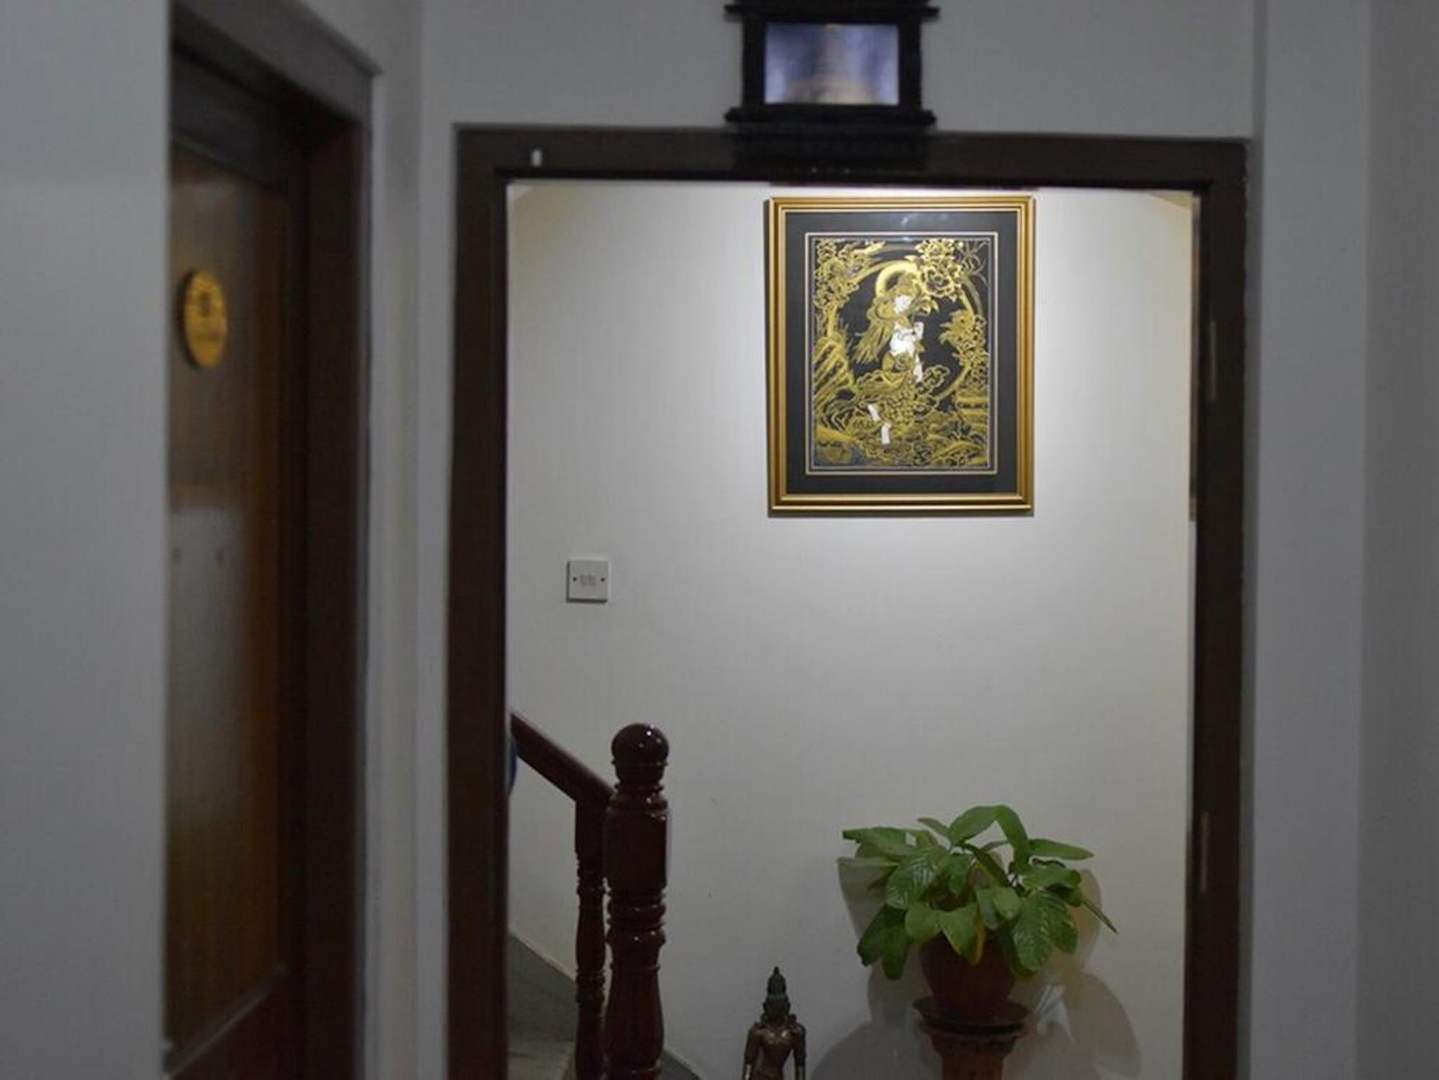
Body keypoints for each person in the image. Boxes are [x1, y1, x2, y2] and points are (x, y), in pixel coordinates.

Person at [743, 968, 806, 1080]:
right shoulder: (758, 1032)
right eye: (773, 1006)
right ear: (766, 1007)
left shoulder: (795, 1032)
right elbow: (748, 1065)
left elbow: (800, 1064)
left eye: (780, 1006)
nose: (777, 1010)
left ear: (787, 1007)